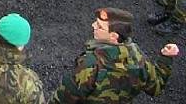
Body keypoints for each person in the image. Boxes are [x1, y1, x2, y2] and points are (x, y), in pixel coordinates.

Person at [49, 7, 179, 103]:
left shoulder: (90, 64)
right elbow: (156, 87)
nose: (93, 26)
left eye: (99, 27)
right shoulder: (138, 59)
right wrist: (166, 59)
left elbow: (65, 97)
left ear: (113, 36)